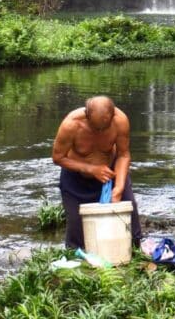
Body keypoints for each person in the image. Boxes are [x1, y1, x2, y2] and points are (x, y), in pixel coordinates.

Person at [52, 95, 142, 249]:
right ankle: (78, 258)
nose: (100, 131)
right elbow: (57, 158)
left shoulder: (120, 121)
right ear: (86, 116)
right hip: (77, 176)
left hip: (110, 173)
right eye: (96, 127)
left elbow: (123, 155)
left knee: (129, 212)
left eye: (104, 127)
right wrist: (91, 169)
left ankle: (133, 251)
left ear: (113, 115)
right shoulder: (71, 125)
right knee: (76, 226)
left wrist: (119, 188)